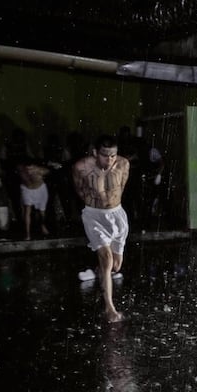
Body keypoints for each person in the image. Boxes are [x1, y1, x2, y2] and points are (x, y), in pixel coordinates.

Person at [72, 134, 130, 323]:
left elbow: (121, 187)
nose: (110, 160)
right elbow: (79, 189)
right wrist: (94, 204)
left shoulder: (123, 164)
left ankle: (99, 272)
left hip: (117, 215)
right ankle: (109, 307)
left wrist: (110, 204)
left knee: (114, 265)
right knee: (106, 257)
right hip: (93, 216)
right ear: (95, 153)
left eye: (113, 155)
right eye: (105, 155)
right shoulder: (81, 167)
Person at [17, 158, 51, 240]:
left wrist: (40, 171)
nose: (29, 171)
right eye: (28, 169)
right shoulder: (22, 171)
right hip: (27, 190)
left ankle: (43, 226)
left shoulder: (40, 170)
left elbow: (48, 171)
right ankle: (28, 234)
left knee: (42, 211)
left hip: (40, 189)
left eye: (31, 169)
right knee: (27, 211)